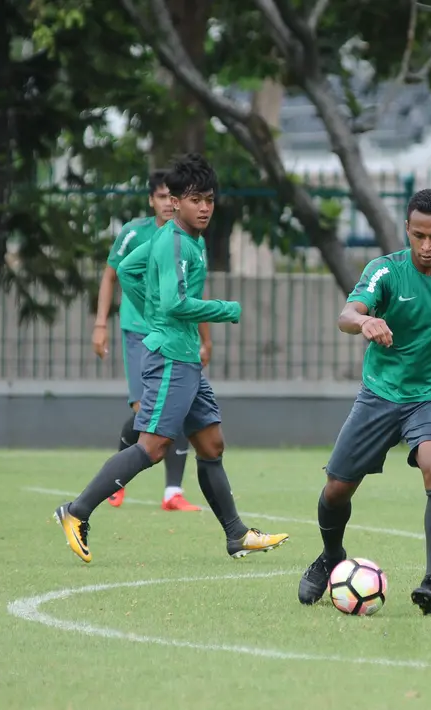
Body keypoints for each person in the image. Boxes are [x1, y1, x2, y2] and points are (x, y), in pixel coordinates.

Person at [54, 153, 288, 563]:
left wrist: (151, 313)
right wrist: (224, 309)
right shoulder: (178, 242)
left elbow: (128, 269)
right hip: (171, 359)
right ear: (175, 202)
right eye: (195, 199)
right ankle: (75, 512)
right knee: (154, 445)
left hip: (182, 356)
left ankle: (236, 535)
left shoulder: (177, 239)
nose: (204, 208)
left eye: (209, 200)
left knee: (211, 444)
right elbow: (178, 302)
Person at [296, 188, 431, 616]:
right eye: (418, 236)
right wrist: (365, 320)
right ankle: (331, 556)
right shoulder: (385, 272)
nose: (426, 246)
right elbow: (346, 314)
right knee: (337, 489)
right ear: (408, 232)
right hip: (380, 394)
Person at [94, 169, 205, 512]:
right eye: (160, 197)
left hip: (177, 334)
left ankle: (172, 492)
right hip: (140, 331)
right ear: (153, 200)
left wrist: (204, 337)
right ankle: (118, 475)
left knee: (180, 407)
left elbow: (195, 293)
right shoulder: (133, 233)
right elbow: (113, 274)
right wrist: (100, 324)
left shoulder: (191, 239)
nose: (167, 204)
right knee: (146, 409)